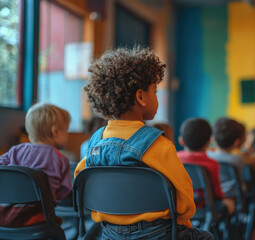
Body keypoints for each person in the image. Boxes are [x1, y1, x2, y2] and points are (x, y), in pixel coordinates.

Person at [74, 46, 213, 240]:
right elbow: (184, 198)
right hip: (158, 234)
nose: (156, 96)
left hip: (109, 233)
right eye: (154, 91)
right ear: (141, 97)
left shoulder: (94, 143)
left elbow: (82, 181)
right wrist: (183, 221)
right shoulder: (158, 144)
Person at [0, 103, 72, 227]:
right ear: (55, 131)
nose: (68, 134)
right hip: (37, 219)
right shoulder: (60, 159)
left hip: (4, 217)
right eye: (66, 130)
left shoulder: (15, 151)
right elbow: (62, 194)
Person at [177, 118, 236, 216]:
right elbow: (217, 194)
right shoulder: (212, 163)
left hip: (180, 208)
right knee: (230, 204)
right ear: (208, 143)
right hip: (205, 210)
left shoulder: (175, 159)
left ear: (181, 141)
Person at [207, 117, 246, 198]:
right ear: (236, 142)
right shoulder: (238, 159)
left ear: (213, 139)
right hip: (232, 199)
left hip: (210, 198)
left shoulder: (207, 156)